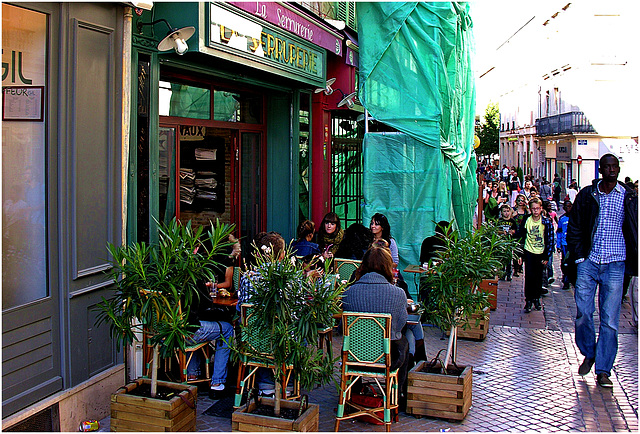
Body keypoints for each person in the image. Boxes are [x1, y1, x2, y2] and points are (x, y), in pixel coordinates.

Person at [566, 154, 638, 388]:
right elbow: (575, 224)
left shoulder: (628, 197)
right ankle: (589, 351)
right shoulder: (588, 194)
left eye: (614, 167)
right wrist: (577, 256)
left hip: (616, 264)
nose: (611, 171)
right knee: (584, 312)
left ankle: (604, 370)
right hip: (589, 261)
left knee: (609, 320)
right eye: (607, 167)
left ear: (618, 169)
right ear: (601, 170)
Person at [342, 247, 410, 395]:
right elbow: (400, 326)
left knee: (356, 340)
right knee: (404, 342)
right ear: (388, 266)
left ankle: (353, 393)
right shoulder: (398, 294)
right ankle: (398, 395)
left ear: (363, 266)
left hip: (354, 357)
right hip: (387, 359)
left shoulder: (349, 293)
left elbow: (343, 327)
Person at [186, 233, 237, 399]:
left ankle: (192, 374)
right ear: (196, 248)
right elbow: (205, 305)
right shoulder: (196, 271)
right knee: (227, 329)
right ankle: (217, 383)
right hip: (192, 331)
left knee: (193, 322)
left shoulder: (175, 271)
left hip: (170, 332)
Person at [515, 197, 554, 313]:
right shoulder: (527, 220)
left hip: (540, 252)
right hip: (529, 251)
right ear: (530, 209)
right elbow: (521, 236)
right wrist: (519, 255)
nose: (536, 211)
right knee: (529, 277)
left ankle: (536, 298)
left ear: (541, 209)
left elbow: (550, 239)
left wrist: (547, 256)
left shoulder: (546, 221)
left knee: (538, 277)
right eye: (533, 209)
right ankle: (529, 300)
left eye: (538, 209)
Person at [497, 205, 517, 281]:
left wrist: (512, 232)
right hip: (501, 242)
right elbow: (496, 230)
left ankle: (509, 273)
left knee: (509, 259)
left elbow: (515, 230)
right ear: (501, 212)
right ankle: (502, 273)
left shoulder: (512, 221)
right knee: (502, 259)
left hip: (509, 242)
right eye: (504, 211)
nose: (506, 213)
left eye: (508, 211)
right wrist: (502, 232)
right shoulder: (499, 221)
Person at [511, 194, 530, 277]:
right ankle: (515, 269)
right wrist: (513, 215)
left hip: (524, 233)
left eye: (522, 200)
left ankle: (520, 266)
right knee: (516, 251)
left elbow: (530, 215)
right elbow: (509, 219)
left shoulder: (526, 211)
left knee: (523, 252)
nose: (520, 202)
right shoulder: (513, 210)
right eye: (519, 200)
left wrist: (527, 205)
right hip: (516, 233)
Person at [556, 200, 572, 290]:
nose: (568, 208)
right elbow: (559, 232)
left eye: (570, 206)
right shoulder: (562, 219)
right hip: (564, 244)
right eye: (566, 207)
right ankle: (566, 280)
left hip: (573, 244)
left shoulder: (575, 217)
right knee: (565, 263)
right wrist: (558, 245)